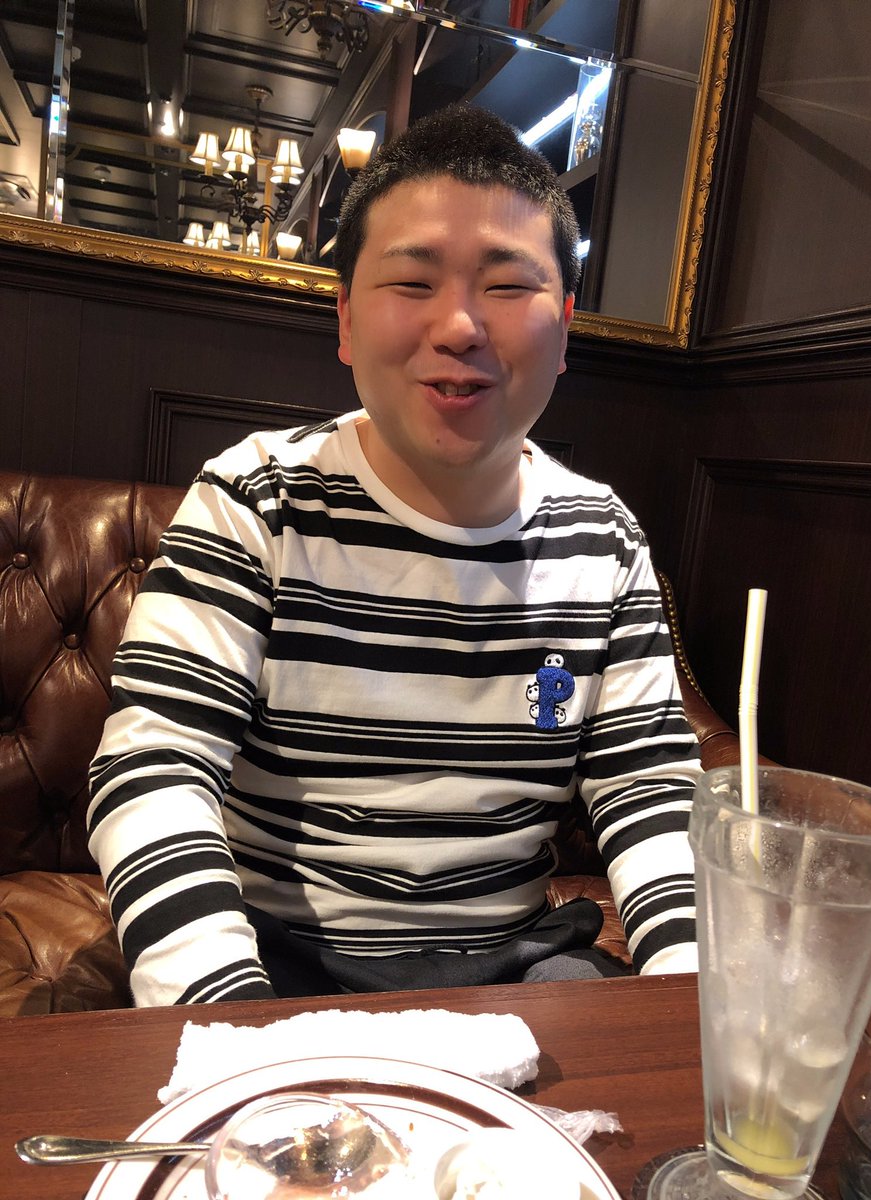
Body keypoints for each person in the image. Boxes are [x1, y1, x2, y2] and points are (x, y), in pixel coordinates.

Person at [87, 103, 701, 1008]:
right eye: (413, 282)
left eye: (507, 285)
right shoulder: (258, 500)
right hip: (278, 956)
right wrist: (232, 1024)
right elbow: (155, 767)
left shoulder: (604, 540)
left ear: (566, 327)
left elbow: (649, 797)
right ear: (344, 317)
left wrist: (692, 1010)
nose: (459, 326)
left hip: (513, 963)